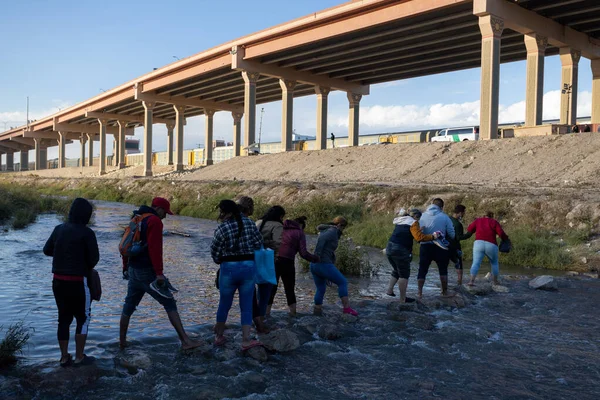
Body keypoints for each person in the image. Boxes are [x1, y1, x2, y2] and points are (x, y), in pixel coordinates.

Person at [119, 197, 201, 351]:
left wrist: (125, 267)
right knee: (169, 303)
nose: (165, 216)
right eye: (165, 212)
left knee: (129, 305)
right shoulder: (155, 222)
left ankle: (122, 343)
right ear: (159, 209)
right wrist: (159, 274)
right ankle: (185, 341)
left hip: (133, 270)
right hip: (147, 272)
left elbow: (125, 244)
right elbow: (155, 250)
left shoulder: (136, 218)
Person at [43, 198, 99, 367]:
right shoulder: (87, 233)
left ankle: (63, 357)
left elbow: (47, 250)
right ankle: (80, 356)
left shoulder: (58, 229)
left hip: (58, 282)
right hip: (78, 282)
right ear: (87, 215)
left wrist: (62, 254)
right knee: (83, 318)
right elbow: (94, 259)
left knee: (63, 319)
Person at [211, 200, 264, 350]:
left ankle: (218, 336)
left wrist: (219, 260)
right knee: (246, 305)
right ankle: (246, 340)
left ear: (225, 212)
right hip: (248, 267)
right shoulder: (249, 223)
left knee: (224, 304)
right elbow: (259, 243)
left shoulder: (222, 227)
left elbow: (215, 251)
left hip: (228, 269)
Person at [269, 216, 319, 316]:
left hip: (274, 260)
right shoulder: (299, 232)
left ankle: (266, 314)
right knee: (289, 288)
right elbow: (303, 253)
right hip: (288, 262)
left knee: (271, 288)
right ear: (301, 225)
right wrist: (315, 258)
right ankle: (293, 314)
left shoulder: (279, 228)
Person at [310, 216, 358, 316]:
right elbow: (321, 241)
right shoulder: (332, 230)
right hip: (322, 263)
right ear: (339, 225)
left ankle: (317, 311)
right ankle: (346, 309)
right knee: (342, 282)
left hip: (315, 265)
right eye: (343, 227)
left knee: (321, 288)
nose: (342, 230)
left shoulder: (326, 229)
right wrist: (317, 255)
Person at [385, 208, 435, 303]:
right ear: (416, 216)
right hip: (400, 249)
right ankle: (403, 299)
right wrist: (433, 236)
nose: (418, 221)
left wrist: (418, 230)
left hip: (389, 248)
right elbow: (419, 238)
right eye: (418, 218)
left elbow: (406, 233)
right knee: (404, 274)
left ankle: (389, 290)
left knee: (396, 269)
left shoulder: (401, 221)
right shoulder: (413, 223)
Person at [253, 206, 285, 330]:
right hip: (268, 259)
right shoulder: (277, 225)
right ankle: (261, 319)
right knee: (266, 290)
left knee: (253, 290)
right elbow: (277, 243)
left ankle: (252, 319)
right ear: (280, 216)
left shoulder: (259, 222)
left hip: (254, 258)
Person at [417, 198, 455, 299]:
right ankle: (444, 292)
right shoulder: (444, 216)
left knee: (422, 269)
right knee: (443, 269)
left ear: (431, 204)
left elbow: (418, 231)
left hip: (425, 245)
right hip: (440, 246)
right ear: (441, 207)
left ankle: (419, 293)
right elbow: (452, 234)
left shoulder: (422, 216)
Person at [466, 211, 509, 286]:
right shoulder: (494, 222)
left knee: (476, 263)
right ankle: (495, 282)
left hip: (478, 243)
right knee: (494, 263)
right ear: (491, 216)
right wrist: (506, 239)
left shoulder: (478, 220)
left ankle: (471, 281)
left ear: (484, 215)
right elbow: (501, 233)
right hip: (491, 244)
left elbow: (469, 229)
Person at [448, 205, 473, 286]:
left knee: (444, 266)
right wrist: (469, 234)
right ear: (460, 213)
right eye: (463, 213)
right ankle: (459, 283)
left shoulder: (447, 219)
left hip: (444, 246)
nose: (463, 215)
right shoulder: (458, 224)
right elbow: (459, 237)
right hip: (455, 247)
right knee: (459, 265)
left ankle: (444, 286)